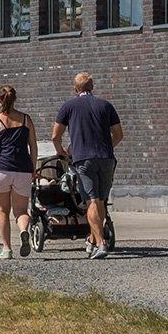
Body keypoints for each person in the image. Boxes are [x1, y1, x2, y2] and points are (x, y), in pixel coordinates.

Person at [51, 72, 124, 259]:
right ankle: (92, 240)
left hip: (83, 159)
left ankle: (101, 243)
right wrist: (108, 146)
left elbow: (55, 135)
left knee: (91, 201)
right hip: (106, 158)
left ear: (76, 89)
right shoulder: (106, 105)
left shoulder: (69, 106)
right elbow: (118, 134)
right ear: (93, 87)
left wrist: (62, 152)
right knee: (100, 200)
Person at [0, 85, 37, 258]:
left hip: (2, 168)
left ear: (0, 100)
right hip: (23, 169)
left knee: (3, 209)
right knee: (21, 210)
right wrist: (33, 168)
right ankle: (23, 231)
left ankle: (6, 249)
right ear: (15, 99)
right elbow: (33, 146)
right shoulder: (26, 119)